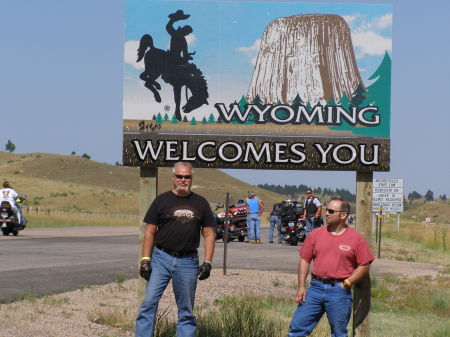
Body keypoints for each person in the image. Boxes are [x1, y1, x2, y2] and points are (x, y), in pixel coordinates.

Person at [135, 162, 215, 337]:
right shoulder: (161, 200)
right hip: (160, 258)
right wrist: (145, 260)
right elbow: (149, 232)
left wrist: (208, 263)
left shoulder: (200, 203)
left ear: (191, 179)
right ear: (173, 178)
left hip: (187, 262)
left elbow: (209, 234)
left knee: (186, 310)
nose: (183, 180)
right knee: (148, 303)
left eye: (187, 176)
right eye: (180, 176)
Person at [288, 198, 375, 337]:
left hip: (339, 291)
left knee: (338, 333)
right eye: (326, 210)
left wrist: (347, 283)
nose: (326, 213)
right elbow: (305, 259)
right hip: (315, 288)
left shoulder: (355, 238)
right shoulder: (316, 234)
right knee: (297, 329)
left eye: (331, 211)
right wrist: (301, 287)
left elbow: (364, 265)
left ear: (343, 215)